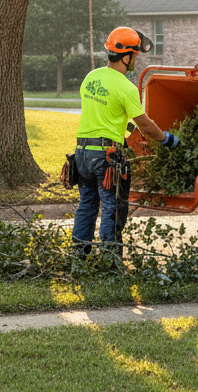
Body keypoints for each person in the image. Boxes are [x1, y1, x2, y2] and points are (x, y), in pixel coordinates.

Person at [72, 26, 178, 256]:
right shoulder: (125, 87)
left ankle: (79, 256)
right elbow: (146, 125)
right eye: (134, 56)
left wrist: (122, 129)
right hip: (105, 156)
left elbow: (103, 113)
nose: (134, 62)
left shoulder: (90, 78)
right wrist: (167, 140)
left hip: (81, 153)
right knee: (112, 207)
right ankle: (110, 259)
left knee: (87, 205)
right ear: (126, 55)